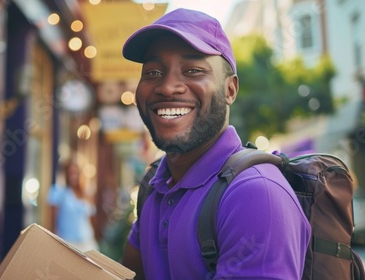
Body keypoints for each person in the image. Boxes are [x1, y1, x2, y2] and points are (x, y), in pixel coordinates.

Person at [121, 8, 311, 279]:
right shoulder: (155, 185)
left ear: (230, 89)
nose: (167, 87)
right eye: (152, 72)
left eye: (193, 70)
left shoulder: (254, 194)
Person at [47, 160, 99, 252]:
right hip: (67, 242)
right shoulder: (59, 192)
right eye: (70, 172)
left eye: (75, 172)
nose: (73, 175)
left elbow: (91, 219)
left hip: (87, 241)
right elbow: (52, 219)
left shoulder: (86, 193)